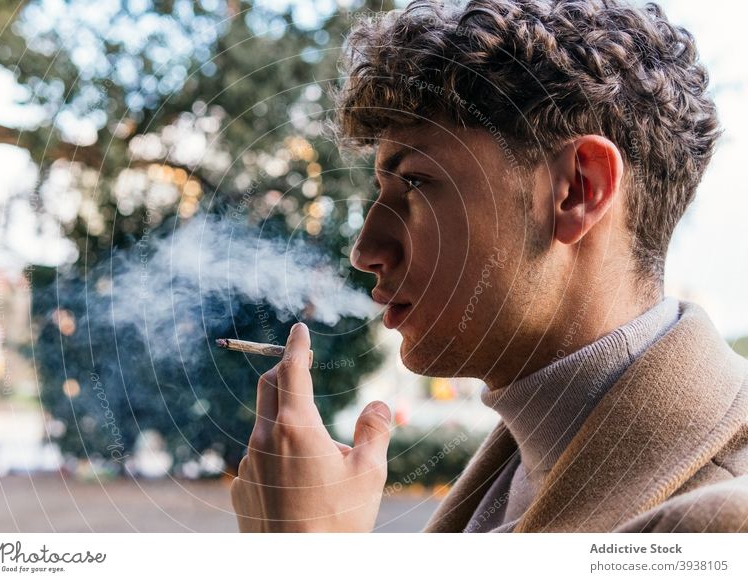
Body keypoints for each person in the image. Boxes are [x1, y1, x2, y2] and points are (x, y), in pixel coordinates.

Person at [229, 0, 748, 532]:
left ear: (578, 191)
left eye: (415, 183)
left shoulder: (721, 525)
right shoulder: (529, 452)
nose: (366, 251)